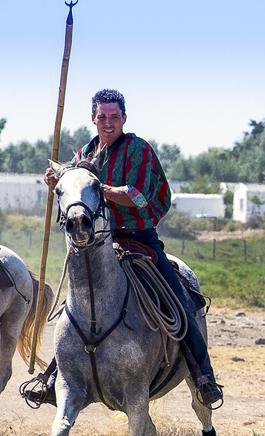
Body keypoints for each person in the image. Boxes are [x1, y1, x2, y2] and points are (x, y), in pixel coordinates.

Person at [27, 88, 223, 407]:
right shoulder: (85, 154)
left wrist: (99, 189)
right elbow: (74, 192)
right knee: (75, 307)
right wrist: (58, 182)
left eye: (114, 117)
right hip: (96, 243)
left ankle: (204, 376)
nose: (108, 122)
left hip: (138, 238)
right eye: (101, 116)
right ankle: (53, 376)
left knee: (180, 302)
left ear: (124, 119)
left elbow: (139, 195)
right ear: (93, 118)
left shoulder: (137, 149)